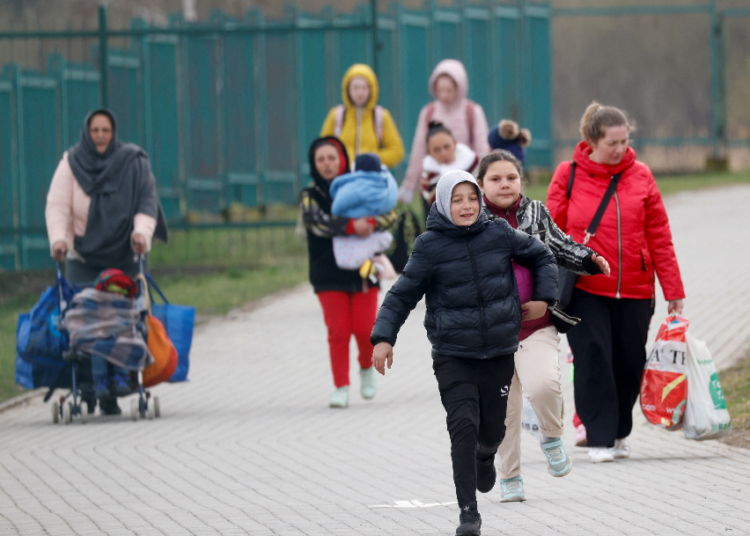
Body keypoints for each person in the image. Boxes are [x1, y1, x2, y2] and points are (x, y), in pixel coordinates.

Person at [370, 171, 557, 536]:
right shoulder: (429, 246)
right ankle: (468, 514)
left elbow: (542, 256)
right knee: (463, 428)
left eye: (472, 198)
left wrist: (543, 299)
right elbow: (402, 294)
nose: (467, 206)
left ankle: (487, 456)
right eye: (457, 200)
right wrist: (383, 337)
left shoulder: (499, 233)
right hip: (453, 355)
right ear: (443, 203)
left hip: (500, 352)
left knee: (490, 433)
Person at [546, 101, 685, 463]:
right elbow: (550, 234)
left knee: (629, 362)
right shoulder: (568, 174)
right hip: (586, 287)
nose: (621, 149)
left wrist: (674, 290)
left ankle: (620, 432)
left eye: (625, 141)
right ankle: (598, 437)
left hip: (636, 288)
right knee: (593, 359)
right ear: (592, 140)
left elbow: (660, 235)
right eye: (612, 142)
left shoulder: (641, 175)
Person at [476, 149, 610, 502]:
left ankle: (551, 436)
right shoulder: (471, 219)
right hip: (491, 335)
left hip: (536, 324)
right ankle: (510, 476)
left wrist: (589, 258)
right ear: (480, 184)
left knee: (545, 385)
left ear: (520, 180)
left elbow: (560, 245)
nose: (505, 184)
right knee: (504, 410)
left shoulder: (534, 212)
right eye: (495, 179)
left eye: (511, 178)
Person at [45, 108, 168, 415]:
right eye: (95, 130)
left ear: (114, 133)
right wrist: (59, 239)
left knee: (123, 322)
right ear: (86, 132)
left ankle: (116, 387)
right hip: (83, 259)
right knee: (85, 324)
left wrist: (140, 234)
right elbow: (58, 206)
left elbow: (146, 202)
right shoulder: (70, 164)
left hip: (124, 259)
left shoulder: (133, 162)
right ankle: (88, 388)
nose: (100, 136)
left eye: (106, 130)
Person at [300, 137, 397, 409]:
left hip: (365, 270)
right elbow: (318, 223)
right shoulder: (310, 196)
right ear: (314, 164)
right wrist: (355, 225)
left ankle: (367, 368)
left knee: (366, 329)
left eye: (332, 157)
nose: (327, 163)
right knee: (339, 331)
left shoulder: (363, 185)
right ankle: (341, 386)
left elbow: (390, 214)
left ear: (342, 159)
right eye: (321, 159)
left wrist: (374, 222)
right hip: (327, 274)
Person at [399, 59, 490, 204]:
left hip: (466, 180)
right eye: (440, 91)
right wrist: (409, 186)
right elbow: (419, 151)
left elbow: (483, 149)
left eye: (449, 91)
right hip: (434, 183)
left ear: (459, 88)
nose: (444, 96)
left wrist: (484, 180)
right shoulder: (428, 112)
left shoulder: (472, 111)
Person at [329, 153, 398, 282]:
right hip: (376, 234)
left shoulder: (354, 186)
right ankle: (376, 267)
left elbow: (337, 207)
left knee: (351, 256)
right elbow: (391, 205)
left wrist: (352, 218)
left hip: (350, 240)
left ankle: (373, 268)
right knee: (376, 248)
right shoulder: (386, 184)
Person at [320, 64, 404, 169]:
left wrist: (370, 161)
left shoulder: (381, 116)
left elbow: (397, 151)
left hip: (371, 177)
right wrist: (342, 162)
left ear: (371, 89)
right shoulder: (336, 116)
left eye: (364, 88)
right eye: (355, 88)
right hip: (342, 177)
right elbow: (323, 148)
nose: (360, 93)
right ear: (347, 89)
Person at [420, 121, 479, 210]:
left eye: (447, 146)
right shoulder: (429, 175)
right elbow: (432, 204)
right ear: (429, 152)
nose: (443, 153)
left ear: (455, 144)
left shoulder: (474, 163)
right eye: (436, 150)